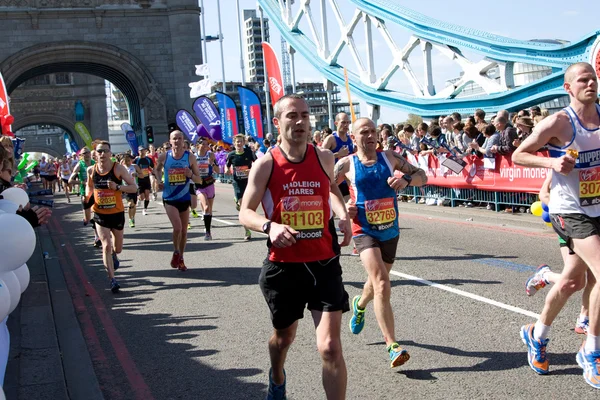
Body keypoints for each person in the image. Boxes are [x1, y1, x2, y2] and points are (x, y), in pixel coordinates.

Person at [239, 94, 352, 400]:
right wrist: (269, 226)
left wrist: (342, 216)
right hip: (284, 267)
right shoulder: (266, 165)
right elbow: (244, 211)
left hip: (324, 263)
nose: (300, 121)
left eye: (304, 115)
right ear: (277, 122)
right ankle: (277, 375)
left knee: (330, 347)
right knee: (283, 337)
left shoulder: (324, 158)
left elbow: (329, 189)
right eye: (292, 116)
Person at [512, 62, 600, 388]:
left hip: (597, 208)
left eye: (593, 78)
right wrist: (550, 162)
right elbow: (519, 154)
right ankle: (591, 351)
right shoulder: (559, 122)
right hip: (570, 211)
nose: (590, 83)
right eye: (582, 79)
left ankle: (537, 334)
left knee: (571, 283)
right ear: (568, 87)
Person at [335, 117, 427, 368]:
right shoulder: (346, 164)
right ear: (354, 138)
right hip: (364, 231)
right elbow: (326, 191)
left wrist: (406, 181)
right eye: (364, 132)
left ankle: (359, 303)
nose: (371, 135)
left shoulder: (391, 158)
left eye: (373, 131)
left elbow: (423, 175)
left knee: (377, 282)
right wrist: (344, 209)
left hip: (390, 231)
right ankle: (392, 346)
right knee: (383, 282)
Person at [526, 170, 595, 335]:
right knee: (576, 282)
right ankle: (545, 275)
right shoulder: (568, 160)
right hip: (573, 224)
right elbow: (543, 193)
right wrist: (564, 210)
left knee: (594, 278)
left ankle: (584, 320)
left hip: (595, 225)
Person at [85, 141, 137, 293]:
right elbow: (89, 186)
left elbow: (134, 187)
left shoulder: (118, 169)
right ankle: (112, 279)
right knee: (106, 245)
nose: (102, 154)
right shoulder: (91, 170)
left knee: (117, 248)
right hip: (100, 214)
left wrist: (118, 187)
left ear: (110, 153)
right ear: (95, 154)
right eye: (99, 151)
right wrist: (87, 197)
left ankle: (115, 255)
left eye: (105, 151)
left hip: (117, 213)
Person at [154, 130, 201, 271]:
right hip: (169, 198)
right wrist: (158, 180)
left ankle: (181, 257)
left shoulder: (190, 157)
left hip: (184, 197)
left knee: (185, 232)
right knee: (178, 228)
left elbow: (199, 179)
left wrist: (190, 174)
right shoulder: (164, 156)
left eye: (180, 138)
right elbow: (156, 170)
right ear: (170, 141)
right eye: (174, 138)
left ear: (183, 140)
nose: (177, 141)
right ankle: (176, 251)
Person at [226, 134, 256, 241]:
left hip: (248, 183)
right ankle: (247, 230)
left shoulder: (249, 153)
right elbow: (227, 165)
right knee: (242, 207)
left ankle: (246, 226)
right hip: (237, 183)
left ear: (244, 143)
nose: (239, 144)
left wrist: (250, 170)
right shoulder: (231, 155)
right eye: (237, 142)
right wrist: (226, 170)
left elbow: (256, 163)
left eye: (240, 142)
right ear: (234, 143)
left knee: (247, 207)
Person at [322, 112, 355, 198]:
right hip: (334, 181)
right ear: (336, 123)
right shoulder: (331, 139)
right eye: (343, 122)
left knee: (349, 207)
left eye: (348, 122)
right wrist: (338, 154)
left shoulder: (350, 139)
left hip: (347, 180)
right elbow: (320, 158)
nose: (346, 125)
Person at [195, 139, 217, 240]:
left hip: (209, 183)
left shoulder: (210, 155)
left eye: (206, 144)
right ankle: (208, 232)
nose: (204, 146)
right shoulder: (193, 157)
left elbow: (218, 170)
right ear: (197, 145)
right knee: (206, 206)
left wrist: (212, 163)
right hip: (199, 184)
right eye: (202, 144)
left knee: (209, 210)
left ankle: (207, 224)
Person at [122, 154, 142, 228]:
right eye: (126, 161)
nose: (127, 162)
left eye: (129, 160)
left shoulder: (135, 166)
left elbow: (142, 175)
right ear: (123, 161)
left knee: (133, 204)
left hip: (134, 188)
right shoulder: (122, 168)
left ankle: (133, 217)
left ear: (131, 160)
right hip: (126, 188)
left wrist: (136, 174)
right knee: (130, 204)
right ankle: (130, 219)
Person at [134, 146, 154, 216]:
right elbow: (132, 168)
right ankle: (139, 199)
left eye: (143, 150)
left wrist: (153, 172)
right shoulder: (136, 160)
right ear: (138, 152)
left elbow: (152, 167)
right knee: (142, 197)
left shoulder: (148, 159)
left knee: (147, 195)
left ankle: (145, 209)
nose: (142, 152)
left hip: (146, 179)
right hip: (139, 180)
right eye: (141, 151)